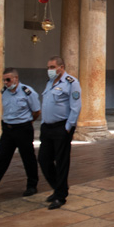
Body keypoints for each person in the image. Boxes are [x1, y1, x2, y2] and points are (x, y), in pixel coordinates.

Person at [0, 68, 41, 201]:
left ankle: (32, 186)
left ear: (16, 78)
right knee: (0, 160)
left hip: (23, 129)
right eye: (4, 80)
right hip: (8, 130)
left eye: (8, 79)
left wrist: (27, 123)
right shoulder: (4, 92)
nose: (6, 82)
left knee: (28, 158)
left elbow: (36, 111)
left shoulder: (28, 92)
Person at [39, 56, 81, 210]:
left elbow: (75, 106)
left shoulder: (71, 83)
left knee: (62, 162)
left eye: (52, 67)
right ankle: (59, 189)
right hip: (47, 128)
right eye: (48, 67)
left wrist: (68, 127)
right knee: (43, 159)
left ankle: (60, 196)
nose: (49, 70)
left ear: (61, 67)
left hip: (61, 127)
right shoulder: (50, 83)